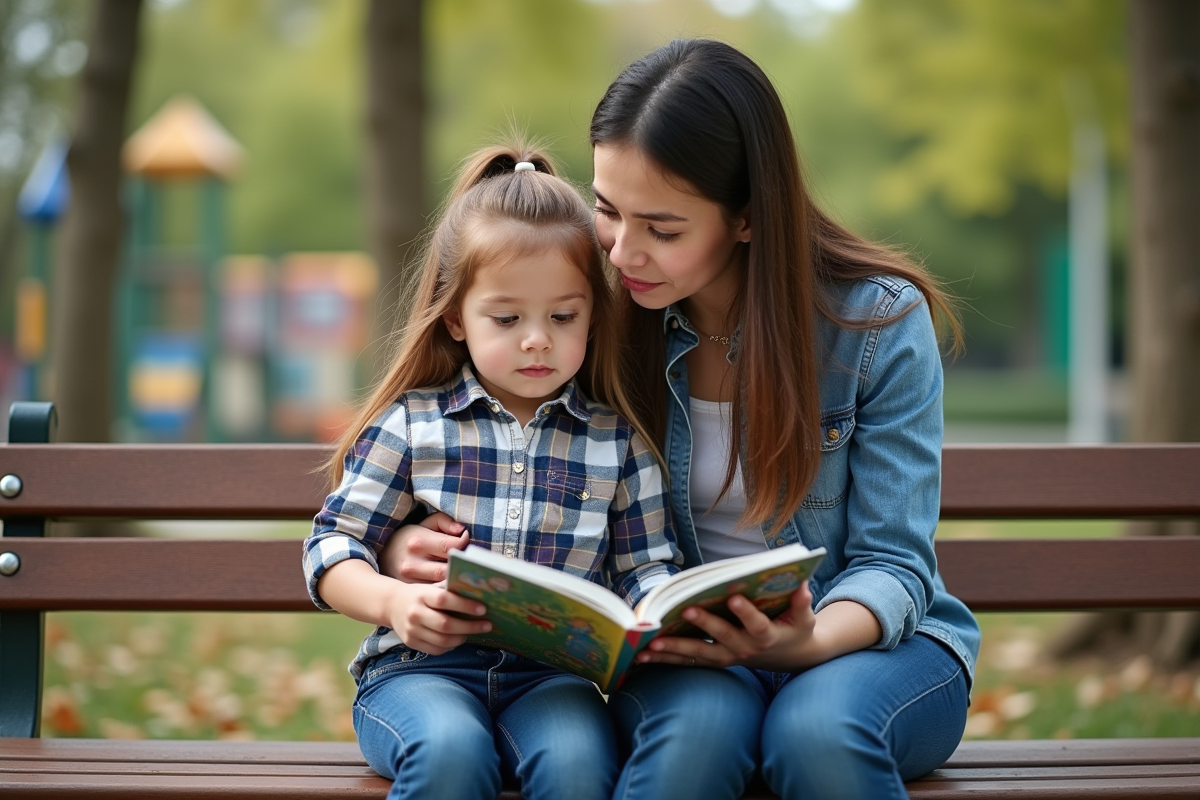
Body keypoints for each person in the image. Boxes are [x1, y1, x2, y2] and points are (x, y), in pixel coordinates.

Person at [385, 39, 982, 800]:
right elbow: (482, 425)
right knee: (697, 737)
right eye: (607, 211)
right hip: (691, 656)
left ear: (745, 218)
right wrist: (410, 533)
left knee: (815, 734)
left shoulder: (876, 327)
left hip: (865, 646)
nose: (624, 251)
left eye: (662, 229)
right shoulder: (593, 311)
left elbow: (894, 564)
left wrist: (805, 642)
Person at [303, 142, 682, 800]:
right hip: (418, 675)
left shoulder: (617, 445)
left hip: (551, 681)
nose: (537, 338)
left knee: (578, 765)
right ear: (456, 317)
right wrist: (393, 601)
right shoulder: (411, 427)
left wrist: (656, 610)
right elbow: (332, 548)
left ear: (593, 316)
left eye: (563, 317)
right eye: (507, 318)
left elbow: (648, 567)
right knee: (452, 752)